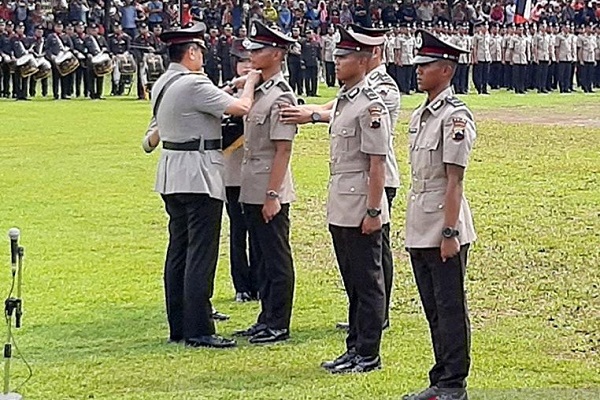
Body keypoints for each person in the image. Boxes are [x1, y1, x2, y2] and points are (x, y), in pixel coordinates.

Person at [142, 22, 260, 349]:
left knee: (178, 249)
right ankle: (199, 328)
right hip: (198, 173)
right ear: (191, 52)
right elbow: (241, 108)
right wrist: (249, 81)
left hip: (172, 172)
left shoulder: (163, 81)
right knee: (200, 253)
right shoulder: (194, 83)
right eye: (200, 52)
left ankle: (179, 324)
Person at [401, 29, 476, 400]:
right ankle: (440, 377)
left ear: (445, 70)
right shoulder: (421, 114)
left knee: (449, 306)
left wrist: (449, 232)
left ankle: (454, 382)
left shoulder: (455, 117)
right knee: (433, 307)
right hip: (420, 220)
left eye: (426, 65)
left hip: (443, 224)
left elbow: (454, 180)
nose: (418, 70)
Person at [232, 21, 298, 345]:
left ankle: (278, 322)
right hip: (250, 184)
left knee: (275, 256)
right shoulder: (258, 89)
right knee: (259, 254)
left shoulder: (282, 95)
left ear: (276, 54)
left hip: (269, 186)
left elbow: (283, 149)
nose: (252, 54)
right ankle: (265, 318)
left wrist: (273, 194)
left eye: (258, 49)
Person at [223, 38, 259, 303]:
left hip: (258, 173)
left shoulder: (265, 92)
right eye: (242, 62)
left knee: (258, 233)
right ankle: (241, 285)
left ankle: (258, 282)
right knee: (238, 231)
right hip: (233, 173)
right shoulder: (225, 94)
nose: (247, 67)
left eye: (251, 61)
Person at [84, 23, 109, 100]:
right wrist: (88, 54)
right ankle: (92, 94)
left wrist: (105, 51)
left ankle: (99, 94)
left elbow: (106, 48)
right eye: (92, 29)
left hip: (100, 61)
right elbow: (84, 48)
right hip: (91, 60)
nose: (94, 31)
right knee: (90, 78)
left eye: (95, 29)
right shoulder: (87, 39)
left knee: (100, 78)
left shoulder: (102, 38)